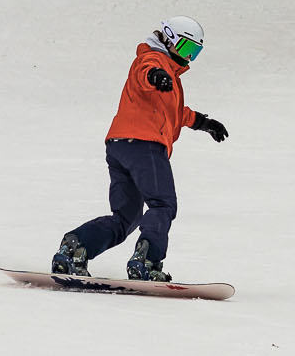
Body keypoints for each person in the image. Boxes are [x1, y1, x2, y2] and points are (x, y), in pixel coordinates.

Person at [52, 16, 228, 281]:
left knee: (126, 218)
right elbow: (145, 72)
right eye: (186, 48)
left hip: (120, 146)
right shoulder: (154, 59)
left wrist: (203, 122)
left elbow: (172, 111)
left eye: (195, 52)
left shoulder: (167, 71)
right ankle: (147, 262)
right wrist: (155, 76)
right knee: (163, 204)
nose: (188, 57)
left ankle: (75, 248)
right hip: (144, 145)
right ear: (168, 38)